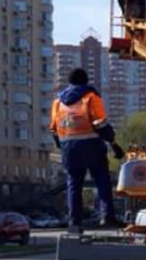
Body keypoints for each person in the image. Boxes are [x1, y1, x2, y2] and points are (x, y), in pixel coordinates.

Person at [50, 68, 125, 232]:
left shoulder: (58, 103)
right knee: (102, 180)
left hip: (69, 149)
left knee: (73, 185)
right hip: (91, 145)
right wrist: (114, 144)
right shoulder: (91, 97)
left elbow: (54, 130)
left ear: (70, 82)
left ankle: (74, 223)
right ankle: (107, 217)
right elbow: (101, 124)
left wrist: (62, 146)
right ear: (86, 82)